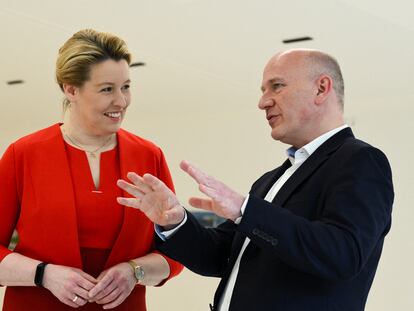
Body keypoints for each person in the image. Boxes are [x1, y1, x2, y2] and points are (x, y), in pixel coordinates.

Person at [116, 49, 394, 311]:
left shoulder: (361, 161)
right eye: (263, 90)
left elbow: (342, 255)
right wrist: (175, 221)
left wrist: (245, 210)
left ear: (321, 88)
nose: (263, 102)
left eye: (277, 86)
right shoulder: (269, 181)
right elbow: (220, 257)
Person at [0, 29, 182, 310]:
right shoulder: (22, 154)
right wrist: (43, 274)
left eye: (126, 87)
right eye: (107, 89)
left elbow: (177, 252)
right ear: (70, 89)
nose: (121, 101)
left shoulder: (149, 156)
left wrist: (134, 271)